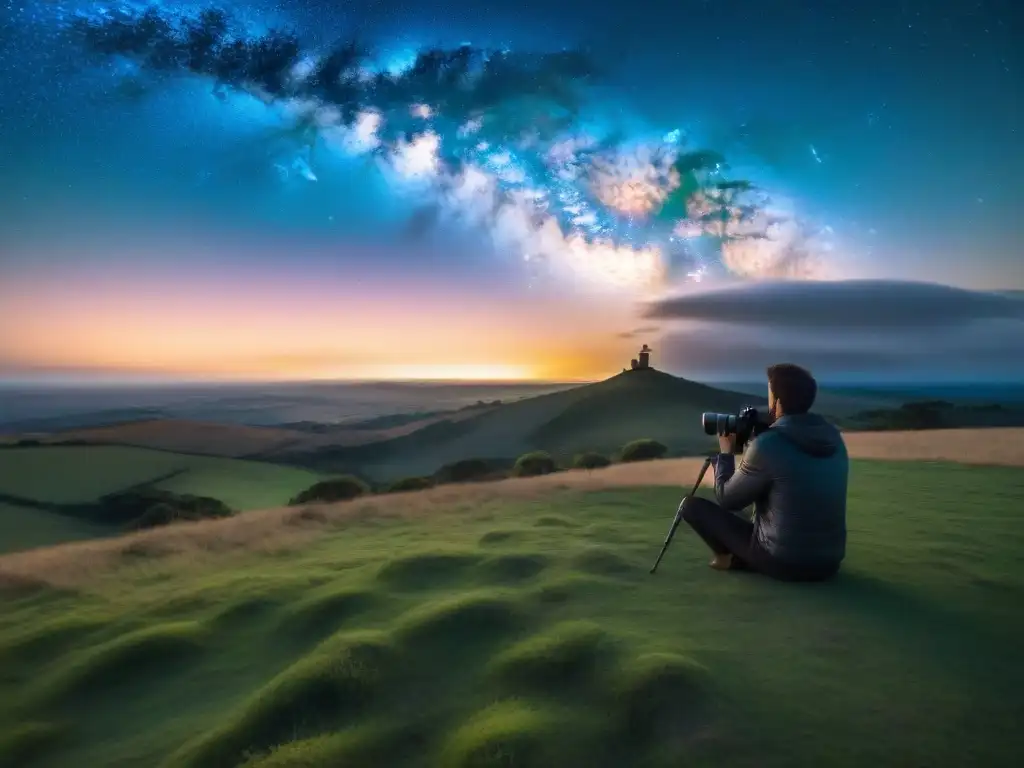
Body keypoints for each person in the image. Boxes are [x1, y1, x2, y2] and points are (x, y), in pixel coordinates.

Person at [680, 363, 848, 582]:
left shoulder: (769, 444)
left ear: (777, 402)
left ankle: (728, 558)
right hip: (829, 563)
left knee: (691, 507)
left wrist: (726, 453)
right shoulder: (834, 437)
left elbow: (727, 499)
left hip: (782, 563)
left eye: (770, 396)